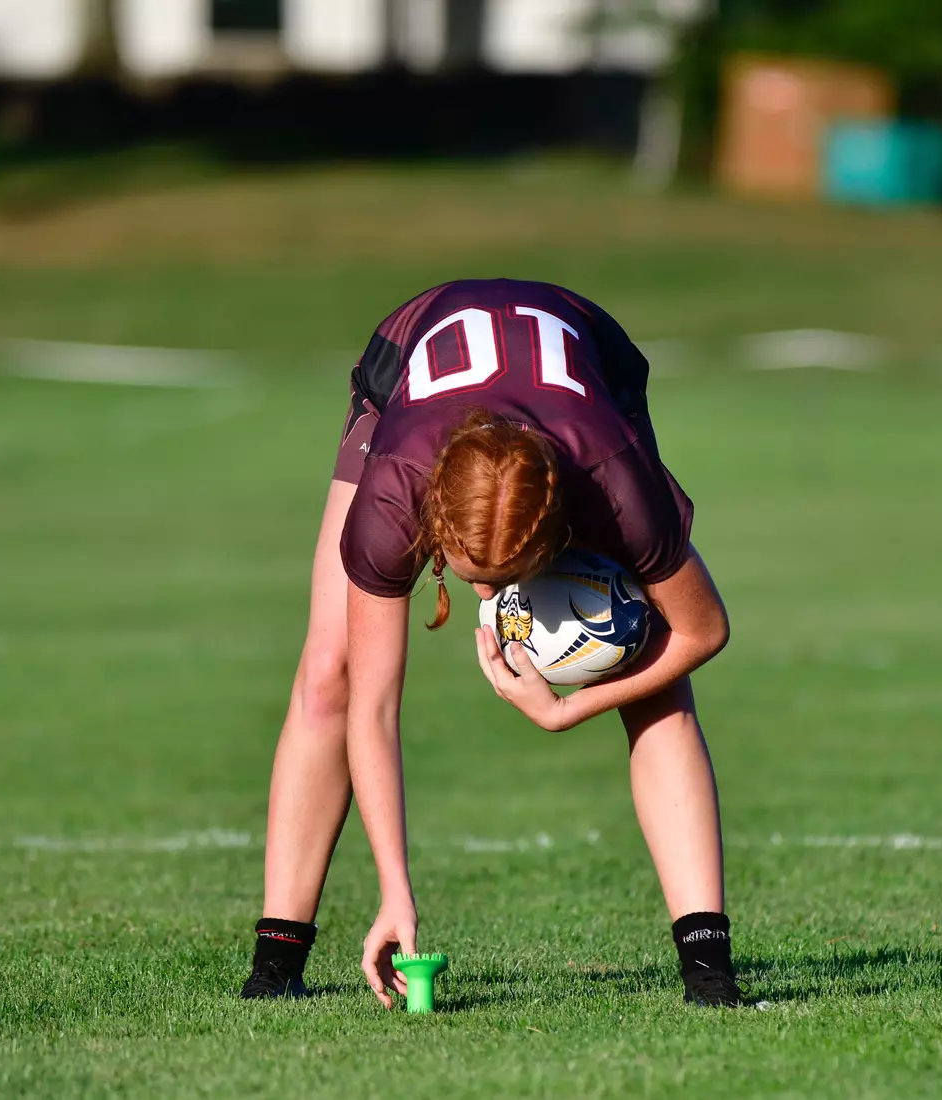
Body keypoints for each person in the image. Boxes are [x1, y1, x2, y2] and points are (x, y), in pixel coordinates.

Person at [239, 279, 738, 1007]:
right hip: (406, 361)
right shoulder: (393, 494)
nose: (484, 598)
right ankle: (275, 965)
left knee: (655, 671)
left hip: (593, 372)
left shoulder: (616, 484)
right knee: (330, 673)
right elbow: (373, 709)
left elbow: (706, 628)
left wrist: (570, 708)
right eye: (472, 577)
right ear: (431, 524)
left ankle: (709, 971)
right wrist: (394, 892)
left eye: (506, 579)